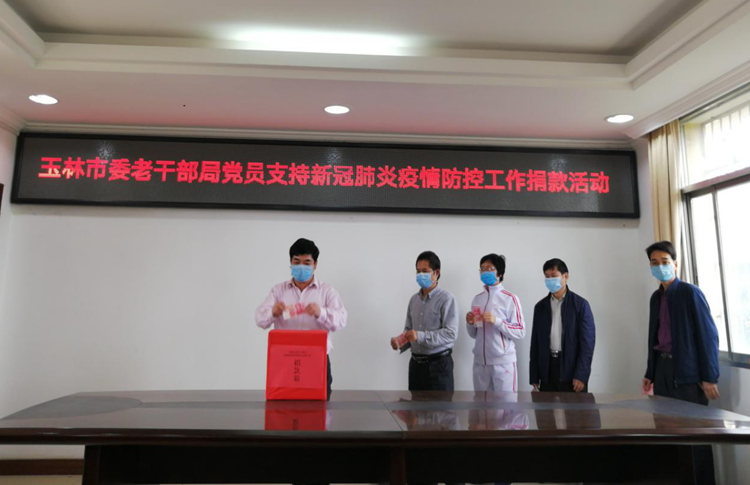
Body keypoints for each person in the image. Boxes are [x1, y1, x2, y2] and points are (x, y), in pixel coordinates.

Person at [641, 240, 719, 485]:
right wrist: (650, 372)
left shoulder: (690, 293)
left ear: (675, 264)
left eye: (665, 261)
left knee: (695, 436)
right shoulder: (656, 298)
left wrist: (709, 377)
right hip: (663, 371)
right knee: (667, 433)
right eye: (655, 263)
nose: (660, 266)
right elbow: (654, 337)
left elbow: (708, 336)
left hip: (688, 374)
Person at [255, 238, 347, 400]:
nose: (301, 266)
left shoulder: (327, 291)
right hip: (285, 359)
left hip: (317, 359)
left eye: (307, 262)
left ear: (315, 264)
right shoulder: (278, 290)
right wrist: (272, 312)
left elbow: (341, 321)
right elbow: (260, 319)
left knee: (319, 406)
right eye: (296, 262)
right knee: (282, 405)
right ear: (290, 263)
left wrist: (321, 312)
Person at [391, 251, 459, 391]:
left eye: (425, 271)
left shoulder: (447, 299)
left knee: (440, 405)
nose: (420, 275)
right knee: (415, 404)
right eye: (418, 271)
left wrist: (420, 336)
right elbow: (409, 330)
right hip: (416, 365)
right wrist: (400, 342)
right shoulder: (414, 300)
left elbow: (451, 333)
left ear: (436, 273)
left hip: (438, 365)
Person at [529, 258, 595, 393]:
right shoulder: (540, 307)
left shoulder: (580, 305)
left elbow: (587, 343)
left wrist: (581, 375)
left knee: (574, 407)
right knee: (545, 406)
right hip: (547, 368)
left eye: (554, 276)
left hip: (572, 369)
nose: (550, 280)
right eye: (547, 276)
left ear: (566, 276)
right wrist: (534, 376)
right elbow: (535, 343)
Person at [465, 253, 525, 393]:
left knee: (506, 404)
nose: (485, 271)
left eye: (489, 268)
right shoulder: (477, 299)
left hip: (503, 363)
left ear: (500, 273)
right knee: (481, 404)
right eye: (482, 268)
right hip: (480, 363)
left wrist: (497, 321)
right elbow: (474, 334)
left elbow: (520, 331)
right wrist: (470, 323)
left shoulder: (510, 298)